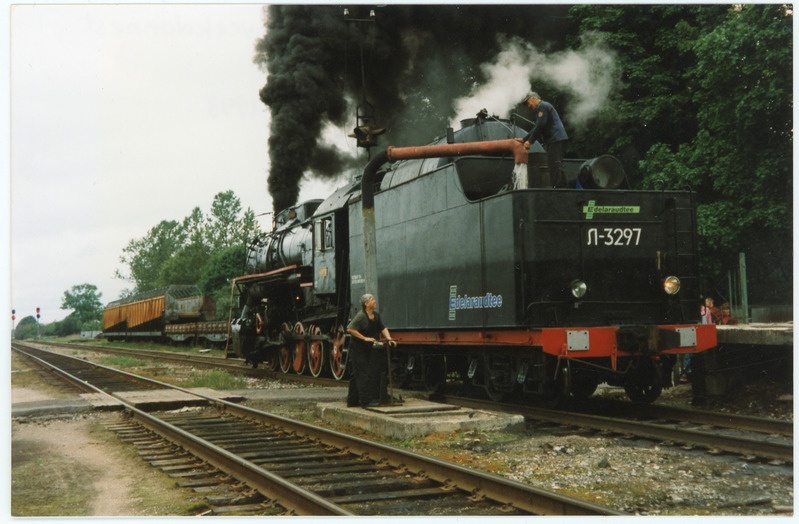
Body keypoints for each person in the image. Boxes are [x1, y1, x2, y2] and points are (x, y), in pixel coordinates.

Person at [346, 293, 397, 408]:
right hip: (357, 348)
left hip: (366, 349)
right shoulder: (361, 316)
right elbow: (350, 329)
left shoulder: (376, 315)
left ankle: (352, 401)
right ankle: (365, 401)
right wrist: (364, 338)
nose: (374, 301)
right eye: (372, 299)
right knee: (363, 373)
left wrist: (389, 338)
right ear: (366, 304)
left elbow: (382, 327)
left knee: (356, 374)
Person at [520, 91, 569, 187]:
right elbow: (536, 127)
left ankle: (557, 188)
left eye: (528, 102)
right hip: (556, 138)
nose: (529, 106)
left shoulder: (542, 106)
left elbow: (540, 125)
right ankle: (562, 187)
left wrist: (530, 142)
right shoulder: (544, 106)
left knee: (554, 164)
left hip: (555, 138)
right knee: (557, 163)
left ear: (533, 98)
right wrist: (523, 139)